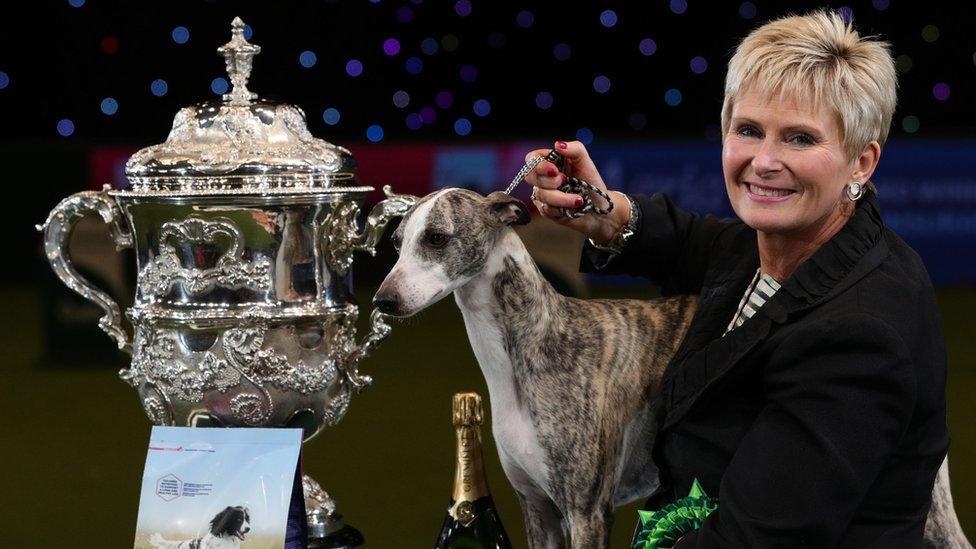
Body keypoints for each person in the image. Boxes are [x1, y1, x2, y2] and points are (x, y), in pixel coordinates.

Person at [524, 9, 949, 547]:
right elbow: (696, 242)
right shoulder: (784, 243)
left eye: (799, 138)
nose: (764, 161)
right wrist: (609, 216)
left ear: (861, 163)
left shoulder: (860, 335)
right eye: (749, 130)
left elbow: (752, 539)